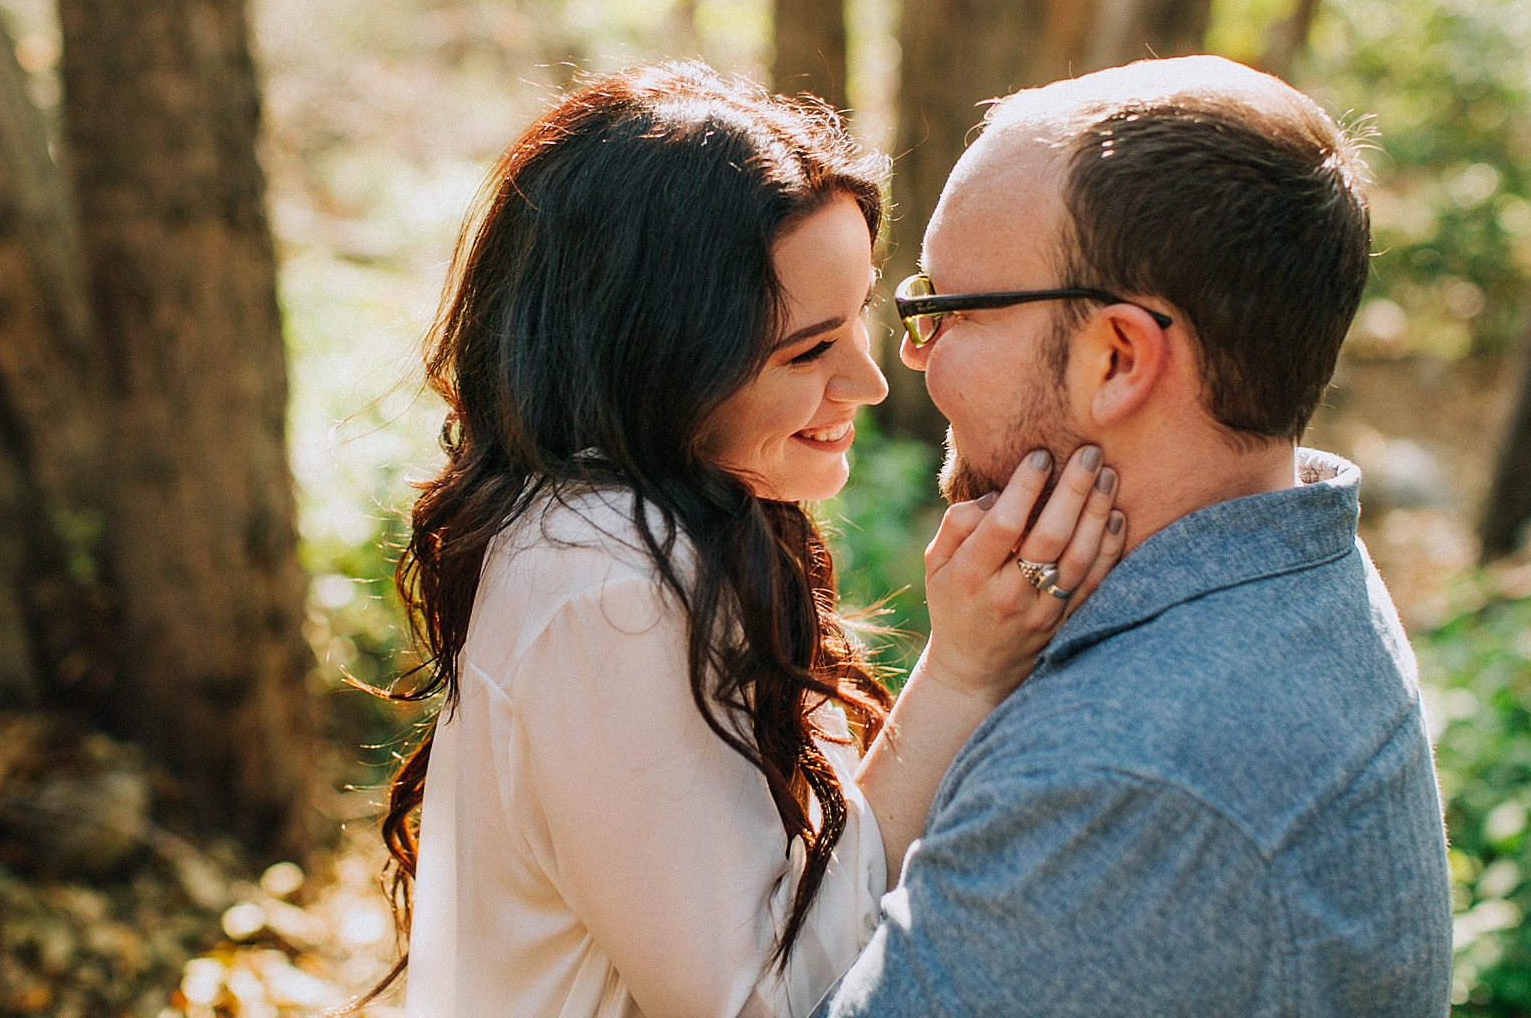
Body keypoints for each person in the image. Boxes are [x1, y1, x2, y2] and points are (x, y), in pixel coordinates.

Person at [374, 61, 1129, 1018]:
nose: (869, 381)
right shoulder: (608, 577)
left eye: (859, 314)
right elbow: (757, 1001)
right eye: (808, 350)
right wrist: (964, 674)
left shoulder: (666, 524)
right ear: (657, 361)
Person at [814, 55, 1454, 1017]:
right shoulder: (1294, 561)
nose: (911, 356)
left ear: (1117, 358)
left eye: (942, 308)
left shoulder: (1124, 777)